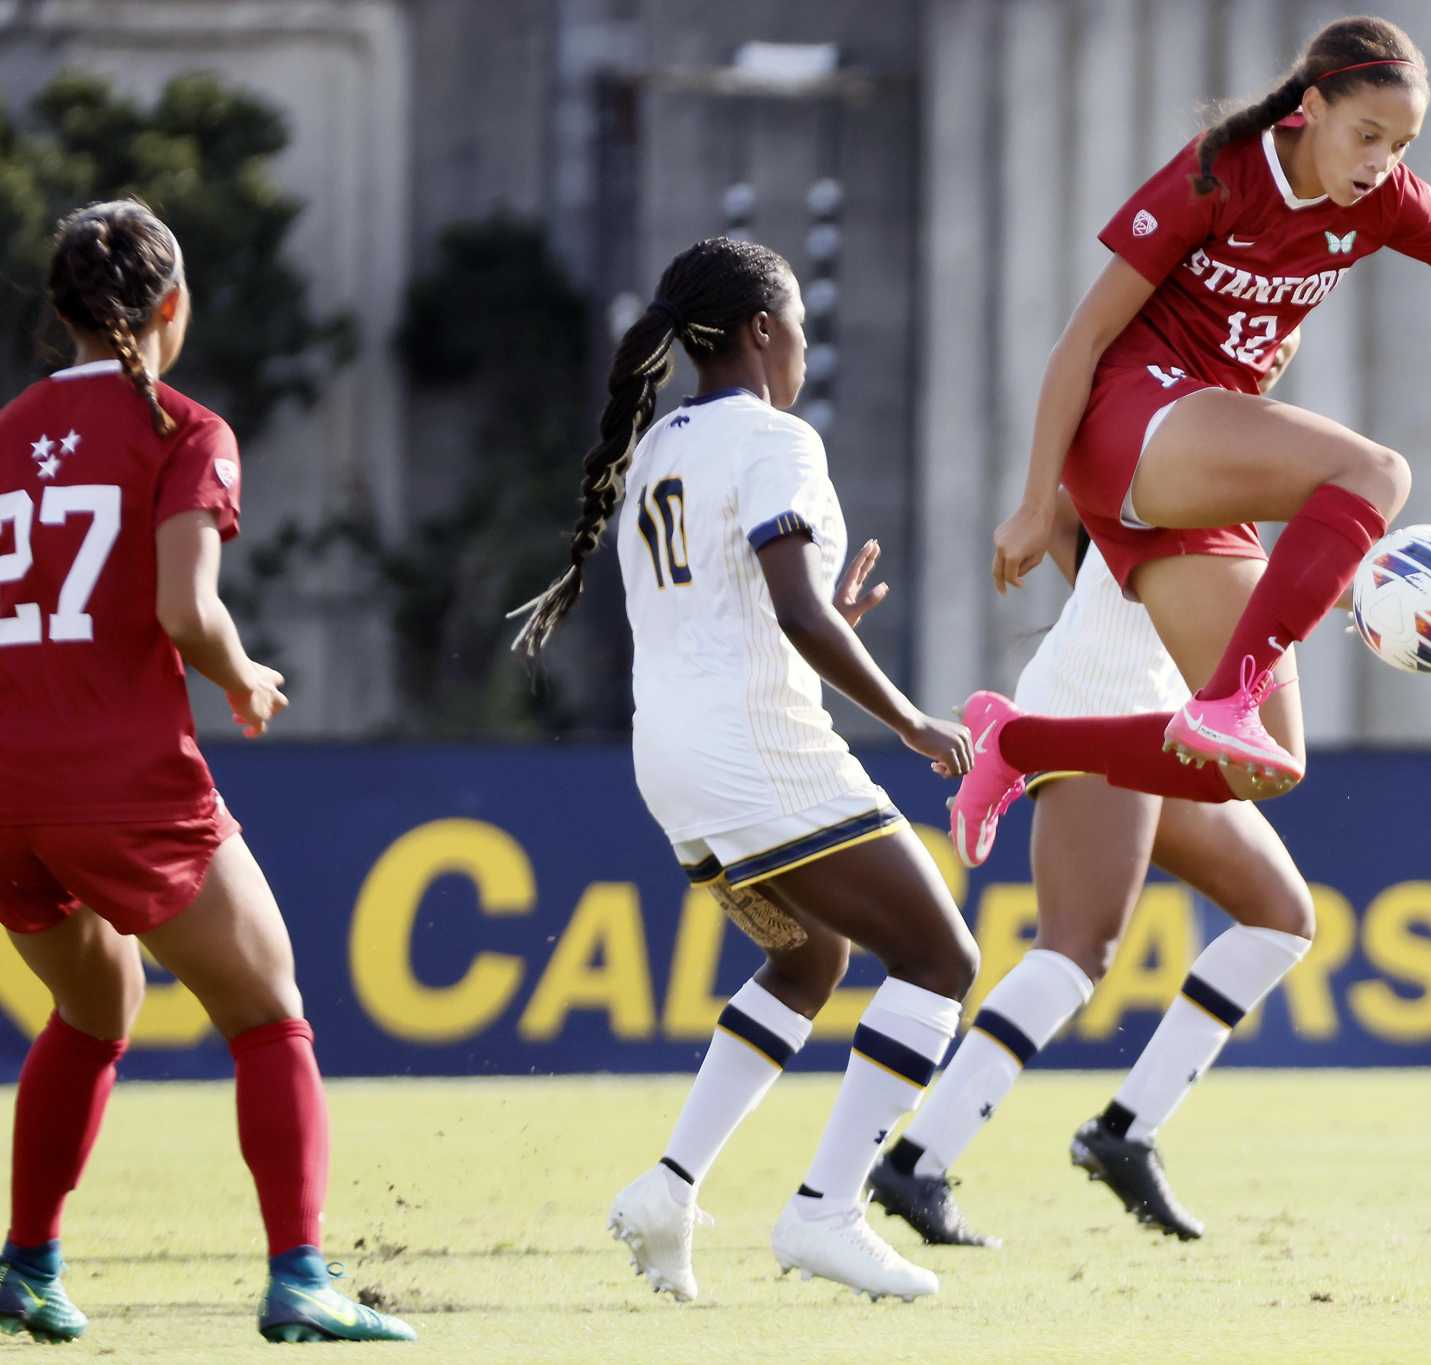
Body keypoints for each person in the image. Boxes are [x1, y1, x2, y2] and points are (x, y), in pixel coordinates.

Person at [948, 14, 1431, 868]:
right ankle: (1231, 694)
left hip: (1192, 468)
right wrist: (1032, 501)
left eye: (1402, 144)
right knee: (1375, 470)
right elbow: (1082, 340)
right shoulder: (1219, 173)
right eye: (1367, 134)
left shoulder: (1389, 201)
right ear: (1310, 108)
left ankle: (1018, 742)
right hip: (1128, 418)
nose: (1381, 161)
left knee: (1263, 765)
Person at [509, 237, 981, 1304]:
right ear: (765, 329)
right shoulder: (777, 439)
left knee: (808, 961)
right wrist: (909, 719)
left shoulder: (656, 447)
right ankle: (825, 1212)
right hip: (756, 753)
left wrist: (816, 624)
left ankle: (669, 1189)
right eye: (801, 325)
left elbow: (734, 610)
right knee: (939, 960)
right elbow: (794, 610)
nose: (806, 346)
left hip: (672, 761)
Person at [0, 199, 414, 1344]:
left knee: (96, 1004)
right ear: (171, 307)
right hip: (120, 782)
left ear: (60, 312)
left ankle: (26, 1265)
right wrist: (240, 676)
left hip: (6, 788)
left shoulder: (8, 429)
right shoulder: (185, 429)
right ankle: (299, 1276)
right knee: (268, 1008)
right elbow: (187, 610)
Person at [872, 336, 1314, 1245]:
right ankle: (916, 1161)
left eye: (1284, 346)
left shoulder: (1210, 437)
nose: (1274, 357)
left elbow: (1115, 530)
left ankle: (1125, 1133)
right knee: (1077, 950)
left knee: (1280, 916)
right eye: (1266, 339)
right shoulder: (1184, 436)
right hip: (1098, 704)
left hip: (1157, 711)